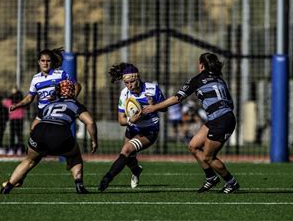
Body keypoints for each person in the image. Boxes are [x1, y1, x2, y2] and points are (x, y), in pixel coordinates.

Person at [143, 53, 240, 194]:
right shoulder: (220, 80)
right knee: (194, 146)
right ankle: (211, 177)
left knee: (208, 157)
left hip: (220, 120)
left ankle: (231, 182)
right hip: (222, 117)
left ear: (201, 65)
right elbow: (231, 104)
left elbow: (177, 98)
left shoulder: (198, 79)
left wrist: (154, 107)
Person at [0, 80, 98, 194]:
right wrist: (94, 140)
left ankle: (8, 187)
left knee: (29, 160)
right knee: (74, 156)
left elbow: (33, 126)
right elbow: (90, 122)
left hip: (39, 131)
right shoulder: (75, 104)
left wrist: (32, 145)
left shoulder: (48, 104)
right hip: (59, 133)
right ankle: (79, 184)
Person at [98, 63, 165, 192]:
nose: (130, 85)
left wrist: (154, 105)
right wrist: (130, 120)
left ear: (138, 78)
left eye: (132, 82)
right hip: (133, 128)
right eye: (126, 83)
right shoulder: (124, 93)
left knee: (126, 150)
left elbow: (165, 108)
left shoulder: (152, 89)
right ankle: (136, 170)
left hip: (149, 130)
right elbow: (121, 120)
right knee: (128, 157)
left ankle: (107, 178)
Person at [9, 48, 81, 131]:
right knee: (33, 129)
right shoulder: (35, 78)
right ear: (39, 62)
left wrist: (70, 100)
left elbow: (77, 86)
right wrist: (17, 105)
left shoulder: (60, 74)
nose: (45, 63)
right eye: (43, 61)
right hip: (43, 112)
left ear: (52, 62)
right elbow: (29, 98)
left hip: (56, 111)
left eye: (48, 61)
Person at [1, 87, 25, 155]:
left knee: (13, 135)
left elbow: (3, 101)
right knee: (19, 135)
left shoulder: (9, 101)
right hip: (19, 120)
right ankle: (19, 149)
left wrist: (11, 95)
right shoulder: (21, 102)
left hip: (14, 120)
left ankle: (13, 149)